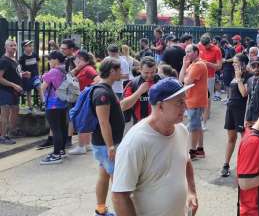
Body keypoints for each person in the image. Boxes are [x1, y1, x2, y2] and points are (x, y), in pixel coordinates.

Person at [112, 78, 197, 216]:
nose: (185, 107)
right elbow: (119, 195)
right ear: (160, 106)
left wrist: (192, 192)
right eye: (179, 103)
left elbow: (186, 161)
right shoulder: (136, 141)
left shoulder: (182, 130)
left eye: (184, 101)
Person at [91, 58, 126, 216]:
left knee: (104, 176)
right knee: (118, 184)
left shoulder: (106, 88)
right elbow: (104, 122)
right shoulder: (102, 93)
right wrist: (111, 146)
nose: (121, 73)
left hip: (106, 145)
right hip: (106, 146)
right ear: (112, 71)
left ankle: (100, 210)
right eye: (119, 70)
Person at [220, 53, 250, 177]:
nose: (233, 64)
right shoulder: (235, 74)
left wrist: (238, 78)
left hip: (241, 110)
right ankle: (226, 165)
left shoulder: (248, 76)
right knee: (231, 138)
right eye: (233, 62)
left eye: (236, 62)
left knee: (245, 139)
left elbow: (244, 93)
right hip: (231, 108)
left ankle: (246, 165)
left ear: (243, 64)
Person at [180, 44, 209, 161]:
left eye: (189, 51)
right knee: (197, 126)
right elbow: (182, 79)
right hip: (193, 99)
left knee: (194, 127)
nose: (186, 54)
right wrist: (184, 65)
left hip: (196, 100)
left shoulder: (198, 65)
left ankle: (192, 151)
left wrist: (186, 76)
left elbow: (186, 81)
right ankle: (200, 149)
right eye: (186, 51)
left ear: (196, 52)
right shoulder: (192, 64)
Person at [39, 51, 68, 164]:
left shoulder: (53, 71)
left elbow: (43, 88)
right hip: (63, 102)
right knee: (62, 127)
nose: (49, 61)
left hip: (52, 104)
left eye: (50, 59)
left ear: (55, 60)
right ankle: (61, 151)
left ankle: (56, 155)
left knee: (55, 129)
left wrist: (43, 101)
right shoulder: (64, 69)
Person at [68, 50, 99, 155]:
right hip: (83, 98)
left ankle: (81, 146)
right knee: (85, 121)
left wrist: (87, 90)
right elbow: (69, 76)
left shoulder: (88, 69)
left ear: (80, 59)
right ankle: (87, 144)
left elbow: (98, 80)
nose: (74, 61)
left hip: (85, 98)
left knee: (81, 121)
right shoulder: (83, 69)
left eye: (75, 59)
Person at [121, 57, 160, 124]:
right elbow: (123, 106)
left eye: (152, 72)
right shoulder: (133, 83)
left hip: (159, 123)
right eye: (146, 72)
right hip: (140, 124)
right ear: (140, 70)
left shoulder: (162, 81)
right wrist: (139, 92)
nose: (149, 75)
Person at [0, 39, 24, 145]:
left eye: (15, 45)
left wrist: (23, 74)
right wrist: (14, 85)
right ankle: (2, 136)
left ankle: (9, 133)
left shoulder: (14, 59)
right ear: (6, 47)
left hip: (14, 92)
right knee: (5, 113)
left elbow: (15, 73)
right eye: (11, 45)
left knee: (15, 111)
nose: (14, 47)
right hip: (5, 91)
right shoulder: (4, 60)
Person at [197, 34, 222, 130]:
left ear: (210, 42)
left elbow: (219, 66)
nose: (205, 47)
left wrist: (208, 64)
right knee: (199, 98)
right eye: (203, 45)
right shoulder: (200, 46)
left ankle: (204, 122)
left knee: (207, 99)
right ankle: (197, 119)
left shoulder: (216, 50)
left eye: (206, 45)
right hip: (199, 75)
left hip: (209, 77)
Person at [19, 40, 42, 113]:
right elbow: (19, 69)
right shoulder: (22, 58)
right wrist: (24, 73)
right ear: (24, 48)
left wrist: (39, 73)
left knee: (39, 87)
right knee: (28, 92)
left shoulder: (35, 54)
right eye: (28, 46)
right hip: (27, 78)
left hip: (35, 76)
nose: (30, 47)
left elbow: (37, 64)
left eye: (30, 46)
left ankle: (43, 103)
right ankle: (30, 107)